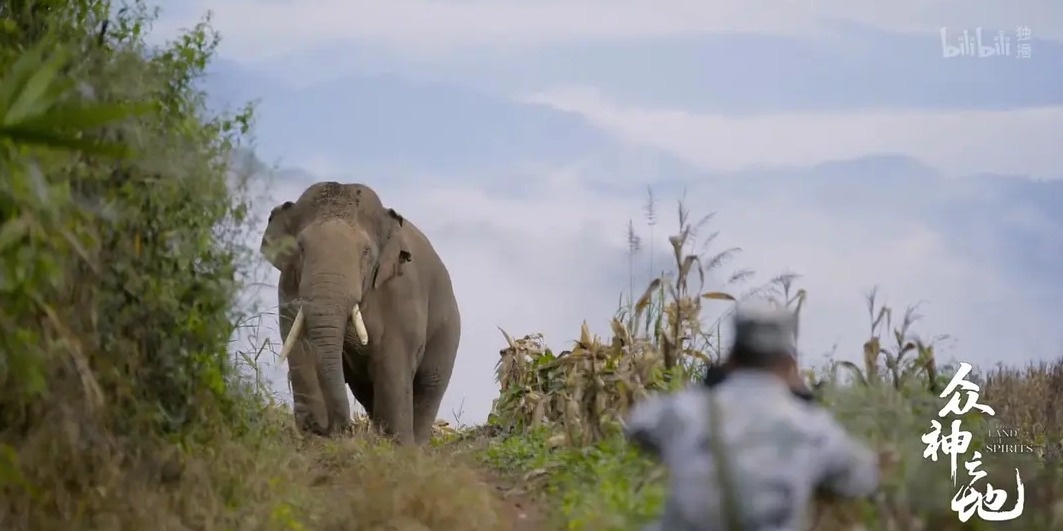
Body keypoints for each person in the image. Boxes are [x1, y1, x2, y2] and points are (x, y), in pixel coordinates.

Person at [624, 300, 880, 531]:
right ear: (790, 365)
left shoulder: (686, 410)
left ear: (731, 358)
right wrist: (806, 401)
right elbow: (863, 477)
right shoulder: (811, 427)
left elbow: (637, 425)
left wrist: (706, 386)